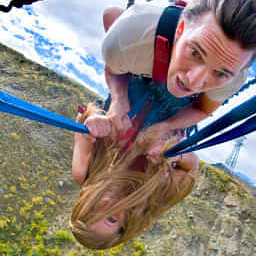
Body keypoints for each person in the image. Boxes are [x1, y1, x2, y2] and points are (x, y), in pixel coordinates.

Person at [87, 0, 256, 146]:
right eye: (196, 53)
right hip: (141, 43)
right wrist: (119, 99)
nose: (194, 82)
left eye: (220, 73)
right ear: (180, 28)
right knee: (112, 17)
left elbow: (202, 108)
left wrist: (165, 126)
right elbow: (113, 70)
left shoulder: (235, 76)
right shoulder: (130, 36)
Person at [70, 103, 198, 249]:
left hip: (136, 87)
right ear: (127, 223)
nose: (106, 203)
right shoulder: (154, 198)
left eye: (93, 209)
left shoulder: (84, 172)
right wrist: (173, 154)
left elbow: (83, 116)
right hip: (185, 107)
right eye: (111, 219)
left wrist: (95, 121)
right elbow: (191, 167)